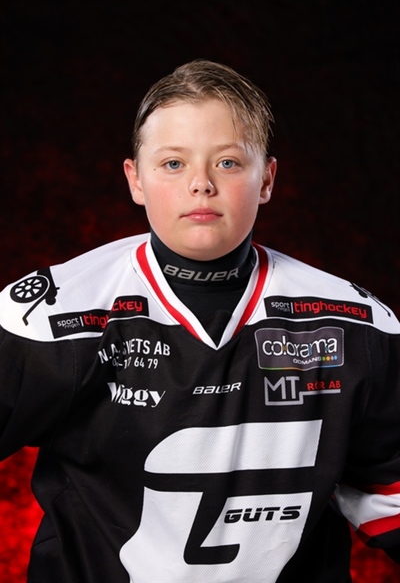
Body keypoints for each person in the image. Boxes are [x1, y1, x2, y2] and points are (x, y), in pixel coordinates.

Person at [0, 59, 399, 583]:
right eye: (173, 163)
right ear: (135, 179)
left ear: (266, 179)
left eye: (228, 162)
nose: (201, 185)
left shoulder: (357, 326)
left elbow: (388, 488)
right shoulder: (53, 316)